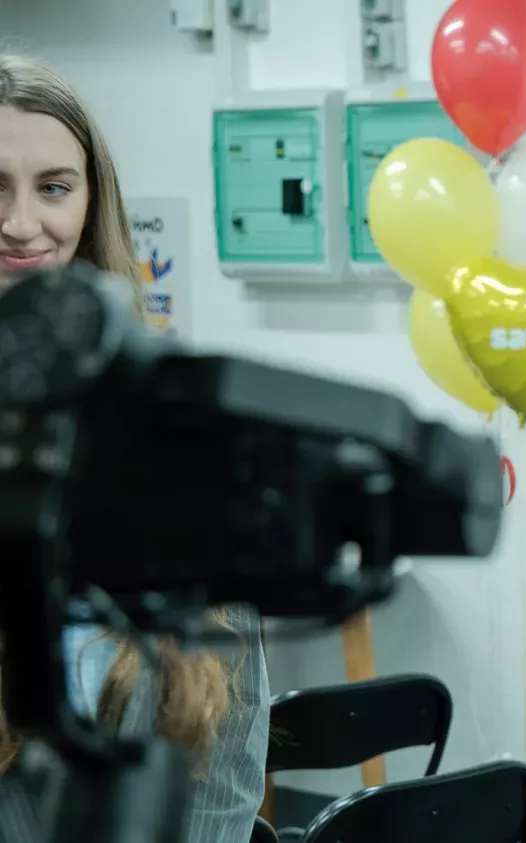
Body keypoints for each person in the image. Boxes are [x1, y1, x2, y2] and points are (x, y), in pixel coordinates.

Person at [0, 54, 271, 842]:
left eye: (54, 186)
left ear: (91, 201)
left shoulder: (171, 418)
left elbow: (228, 737)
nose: (23, 223)